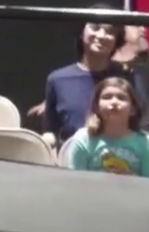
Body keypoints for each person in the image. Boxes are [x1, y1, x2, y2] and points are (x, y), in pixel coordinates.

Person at [42, 16, 127, 145]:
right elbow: (50, 130)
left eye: (110, 31)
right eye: (95, 28)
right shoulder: (57, 79)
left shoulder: (128, 78)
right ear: (82, 32)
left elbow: (143, 127)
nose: (101, 35)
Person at [62, 77, 149, 178]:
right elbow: (76, 181)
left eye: (121, 98)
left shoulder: (145, 143)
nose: (114, 102)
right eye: (107, 97)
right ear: (96, 107)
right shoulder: (84, 139)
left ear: (133, 109)